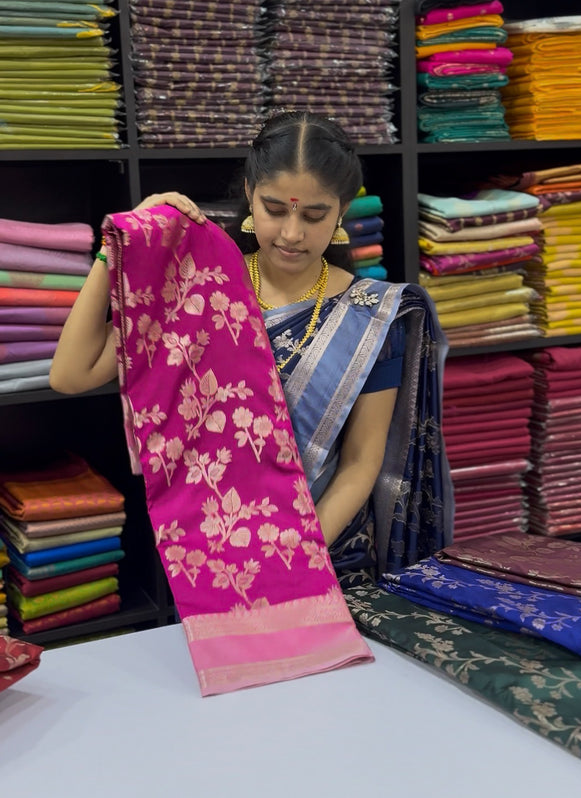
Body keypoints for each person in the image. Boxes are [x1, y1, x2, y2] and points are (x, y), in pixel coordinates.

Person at [50, 111, 452, 586]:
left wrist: (292, 557)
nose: (291, 233)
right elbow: (70, 375)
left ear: (342, 209)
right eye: (275, 209)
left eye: (314, 214)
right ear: (248, 194)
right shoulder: (199, 290)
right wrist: (117, 245)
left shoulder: (372, 314)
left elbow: (361, 462)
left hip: (323, 560)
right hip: (213, 560)